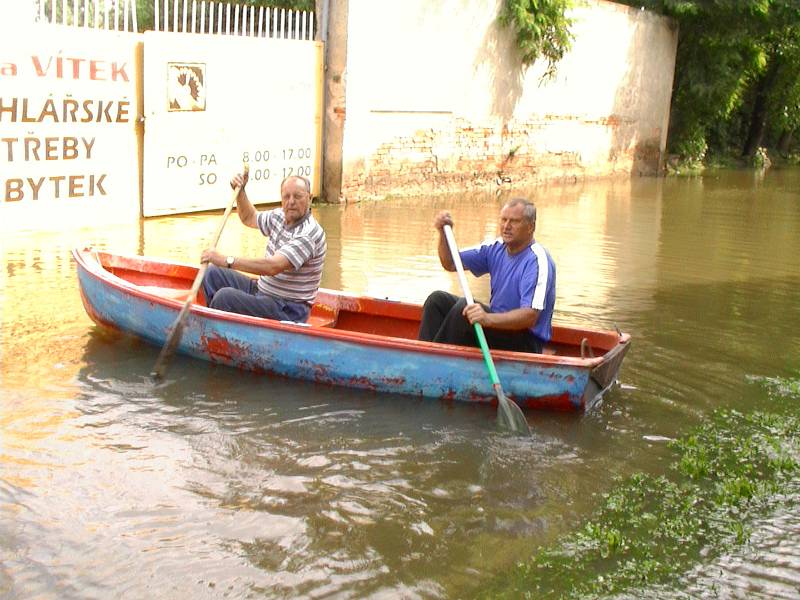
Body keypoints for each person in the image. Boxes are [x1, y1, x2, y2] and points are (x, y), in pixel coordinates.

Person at [417, 198, 556, 353]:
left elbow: (530, 316)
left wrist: (487, 319)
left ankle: (435, 360)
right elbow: (450, 263)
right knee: (437, 300)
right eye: (503, 220)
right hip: (498, 328)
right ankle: (424, 355)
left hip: (525, 342)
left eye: (514, 221)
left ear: (530, 227)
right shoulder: (495, 248)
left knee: (464, 308)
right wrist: (443, 233)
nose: (506, 226)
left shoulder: (537, 260)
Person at [200, 172, 326, 322]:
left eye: (297, 196)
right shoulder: (279, 216)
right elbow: (249, 217)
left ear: (310, 198)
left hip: (288, 309)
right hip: (263, 291)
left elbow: (272, 267)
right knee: (212, 273)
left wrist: (226, 260)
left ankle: (216, 328)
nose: (291, 201)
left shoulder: (309, 234)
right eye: (286, 196)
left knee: (225, 298)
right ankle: (220, 324)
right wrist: (241, 192)